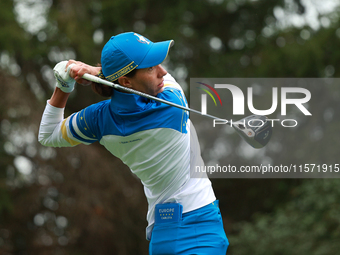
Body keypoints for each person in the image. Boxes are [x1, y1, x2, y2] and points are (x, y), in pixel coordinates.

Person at [39, 32, 229, 254]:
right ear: (126, 81)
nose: (162, 72)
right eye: (150, 68)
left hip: (161, 234)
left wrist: (64, 84)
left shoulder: (98, 120)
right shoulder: (171, 105)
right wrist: (92, 70)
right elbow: (151, 81)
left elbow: (48, 134)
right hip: (201, 226)